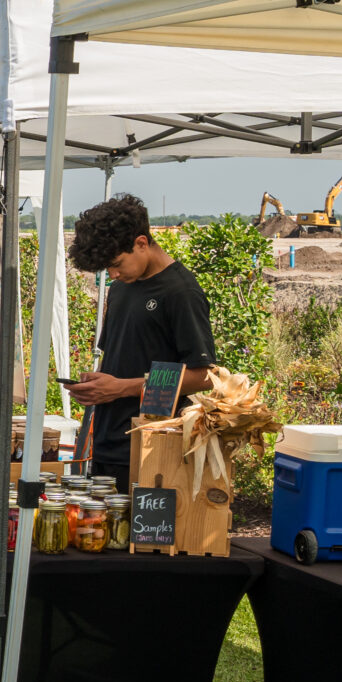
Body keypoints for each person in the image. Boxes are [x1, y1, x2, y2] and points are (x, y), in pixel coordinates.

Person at [67, 193, 214, 483]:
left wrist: (121, 388)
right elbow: (122, 359)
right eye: (106, 268)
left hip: (152, 449)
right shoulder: (122, 287)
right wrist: (97, 385)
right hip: (108, 444)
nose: (113, 273)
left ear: (142, 243)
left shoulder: (181, 292)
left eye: (117, 263)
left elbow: (203, 376)